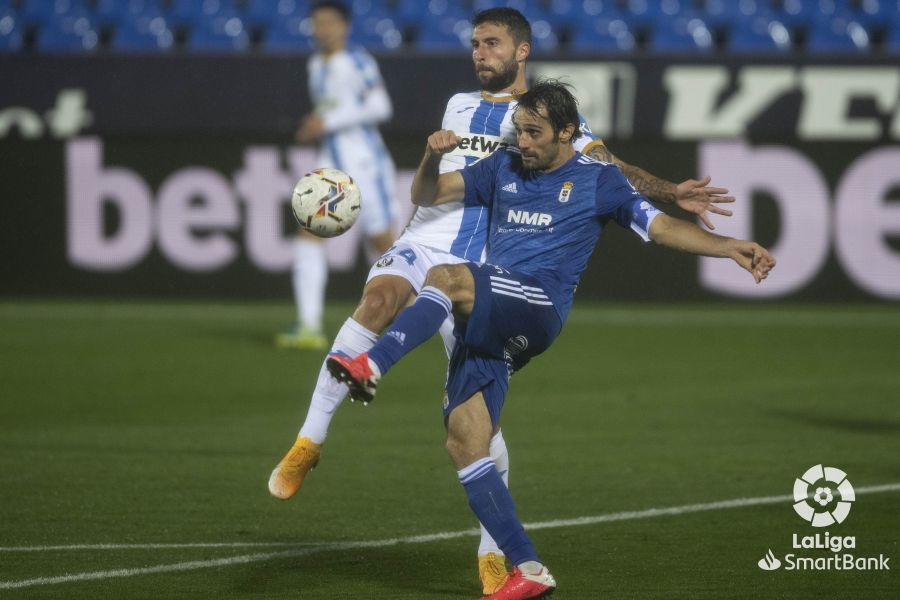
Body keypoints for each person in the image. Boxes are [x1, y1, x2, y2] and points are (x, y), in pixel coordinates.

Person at [268, 7, 734, 594]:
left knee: (473, 422)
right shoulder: (459, 105)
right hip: (427, 237)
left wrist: (671, 190)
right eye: (474, 44)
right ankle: (309, 441)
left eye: (491, 44)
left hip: (485, 262)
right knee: (378, 300)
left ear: (521, 51)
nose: (478, 53)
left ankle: (495, 552)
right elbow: (436, 183)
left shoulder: (539, 120)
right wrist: (431, 156)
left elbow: (606, 164)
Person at [276, 0, 398, 350]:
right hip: (332, 167)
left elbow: (380, 106)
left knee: (384, 246)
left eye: (329, 22)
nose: (323, 29)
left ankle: (417, 315)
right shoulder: (316, 64)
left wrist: (325, 123)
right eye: (317, 22)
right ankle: (309, 325)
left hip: (365, 165)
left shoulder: (356, 60)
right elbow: (331, 111)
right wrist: (316, 127)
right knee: (309, 233)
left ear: (345, 26)